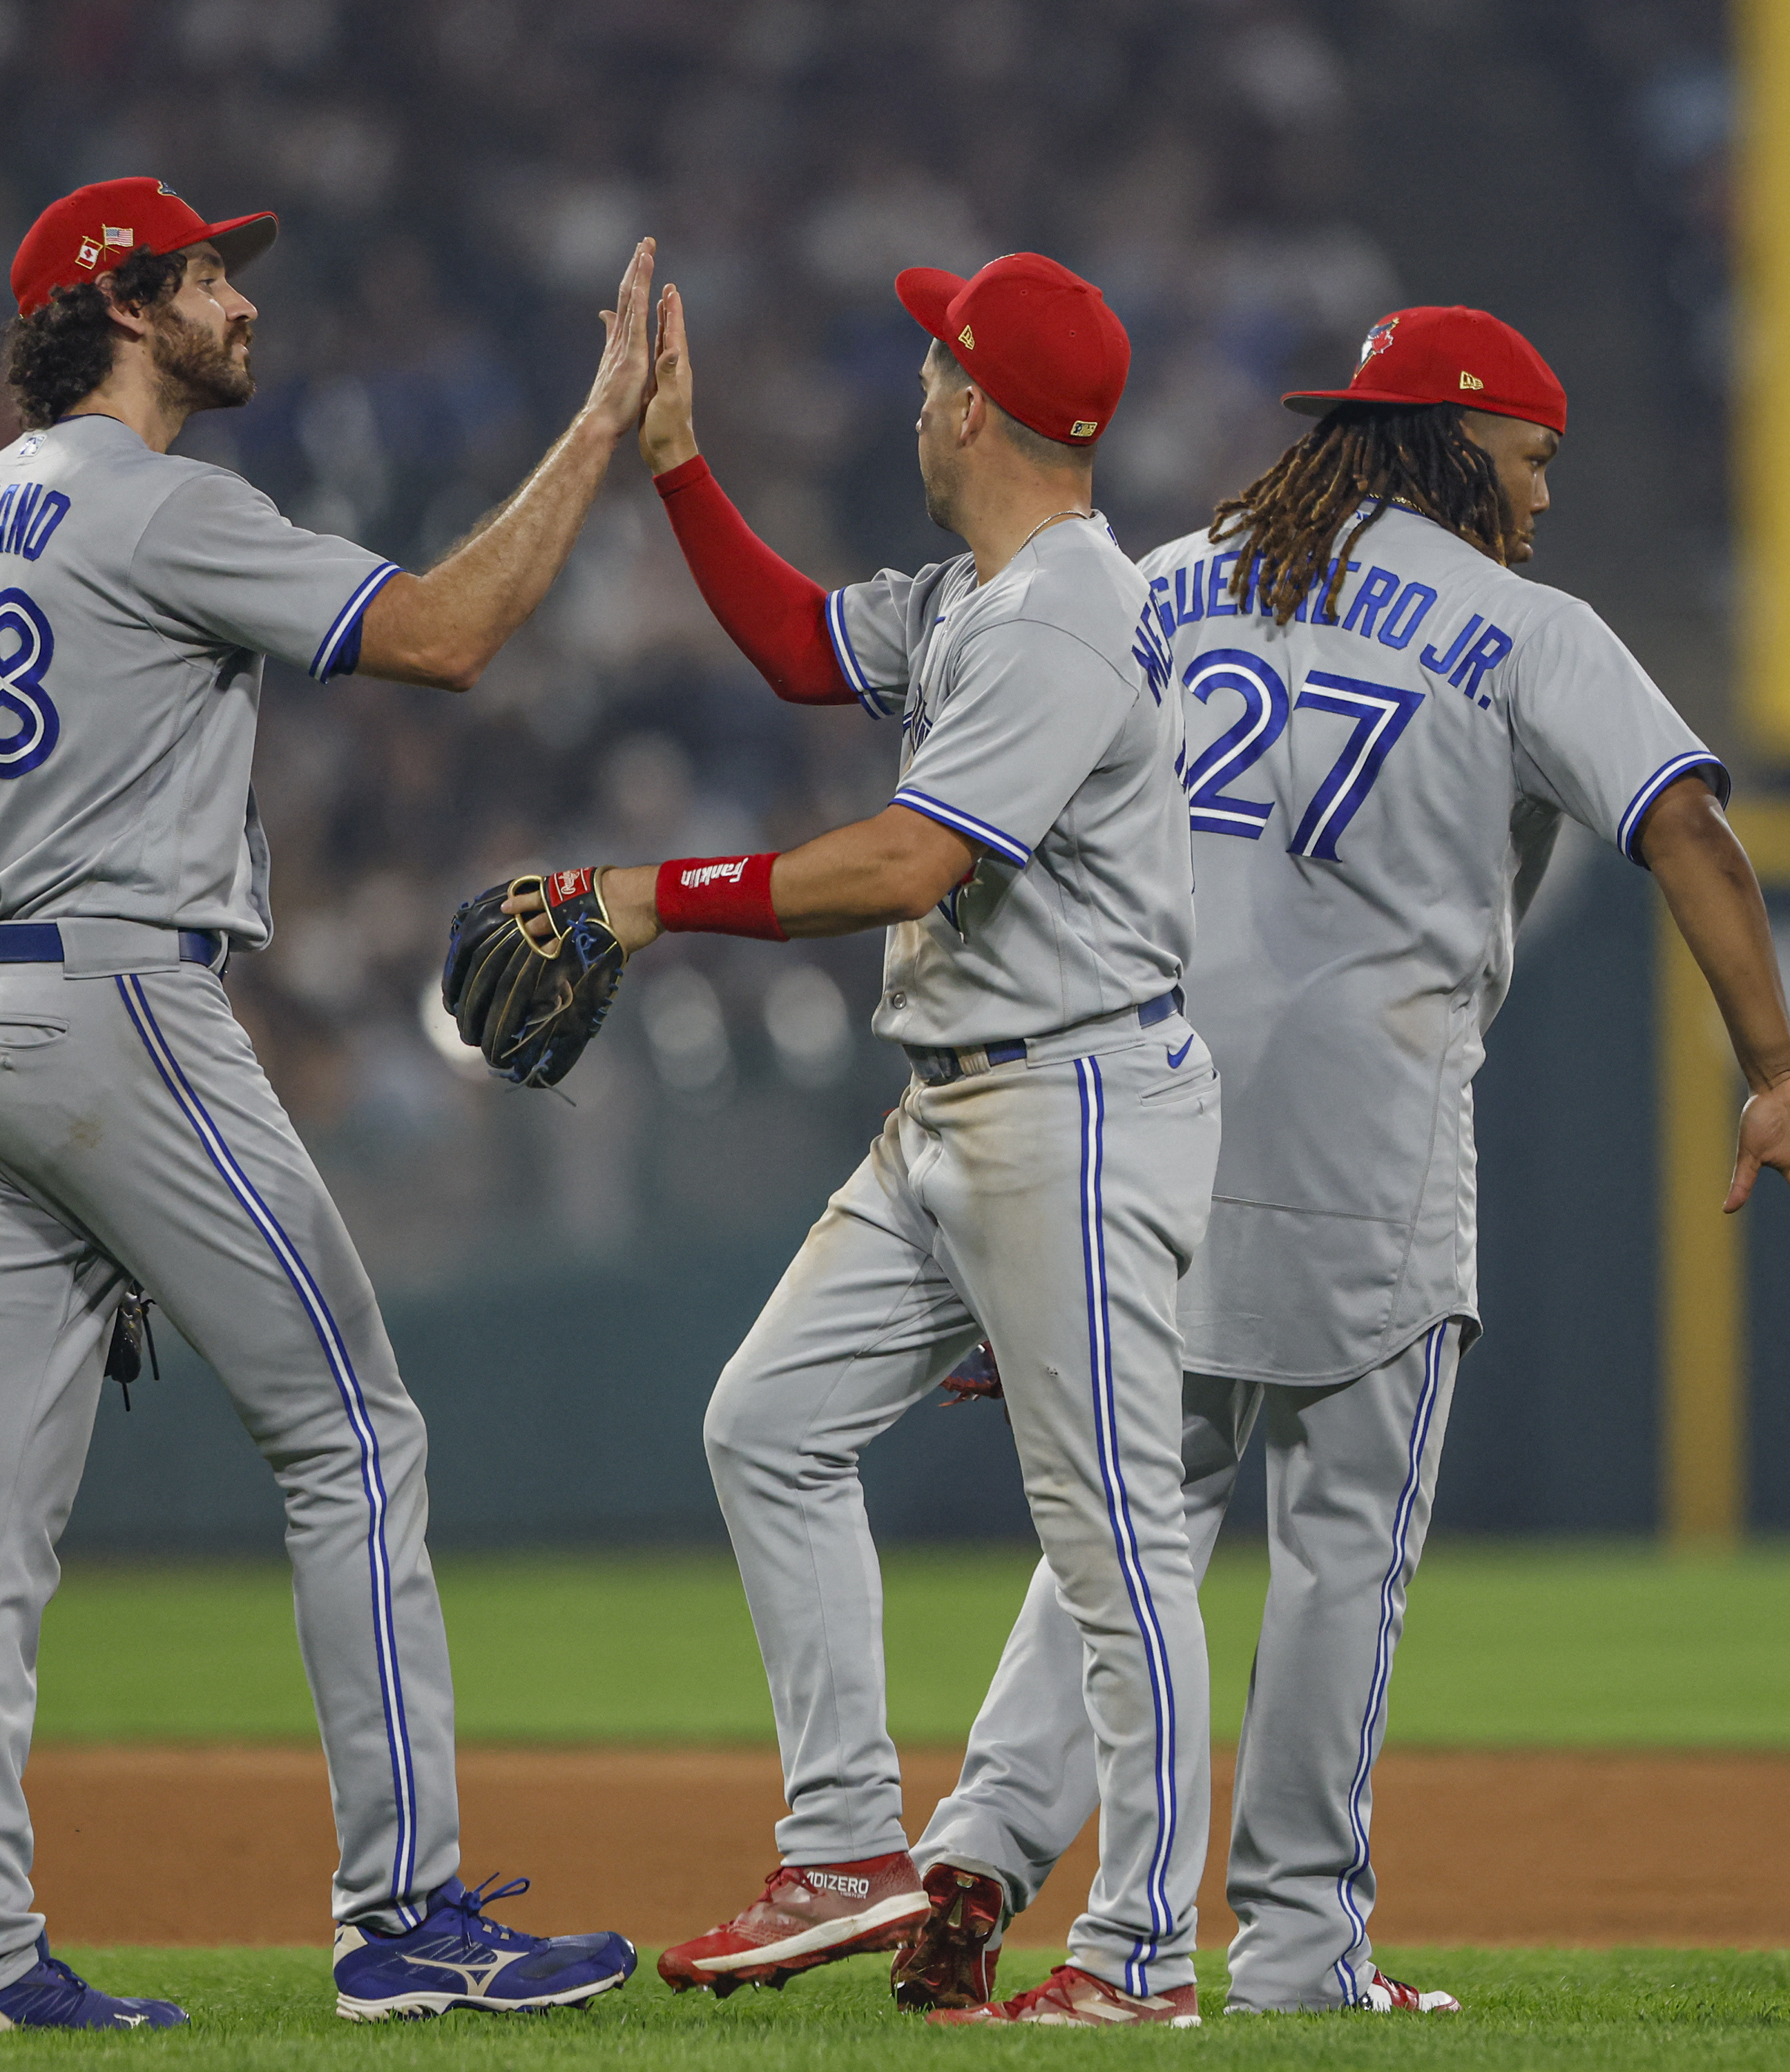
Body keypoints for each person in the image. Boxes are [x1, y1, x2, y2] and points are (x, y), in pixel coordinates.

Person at [851, 306, 1790, 2017]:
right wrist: (1773, 1067)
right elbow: (1687, 823)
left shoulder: (1150, 577)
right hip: (1367, 1126)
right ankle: (1296, 1953)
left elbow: (992, 811)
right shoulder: (1519, 622)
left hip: (1131, 1106)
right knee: (1342, 1542)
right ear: (1458, 444)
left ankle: (980, 1849)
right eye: (1535, 457)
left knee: (1128, 1521)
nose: (1547, 496)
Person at [0, 178, 653, 2031]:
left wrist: (67, 1134)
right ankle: (407, 1916)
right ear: (127, 306)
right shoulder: (159, 505)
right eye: (209, 274)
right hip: (116, 1003)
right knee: (356, 1434)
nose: (241, 301)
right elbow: (453, 632)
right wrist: (600, 426)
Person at [549, 253, 1221, 2028]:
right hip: (959, 1103)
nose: (918, 393)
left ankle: (1142, 1957)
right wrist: (680, 463)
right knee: (768, 1424)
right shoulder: (981, 593)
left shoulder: (1067, 609)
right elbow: (793, 646)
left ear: (980, 407)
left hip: (1070, 1102)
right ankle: (848, 1841)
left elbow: (910, 866)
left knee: (1115, 1543)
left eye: (938, 368)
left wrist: (648, 899)